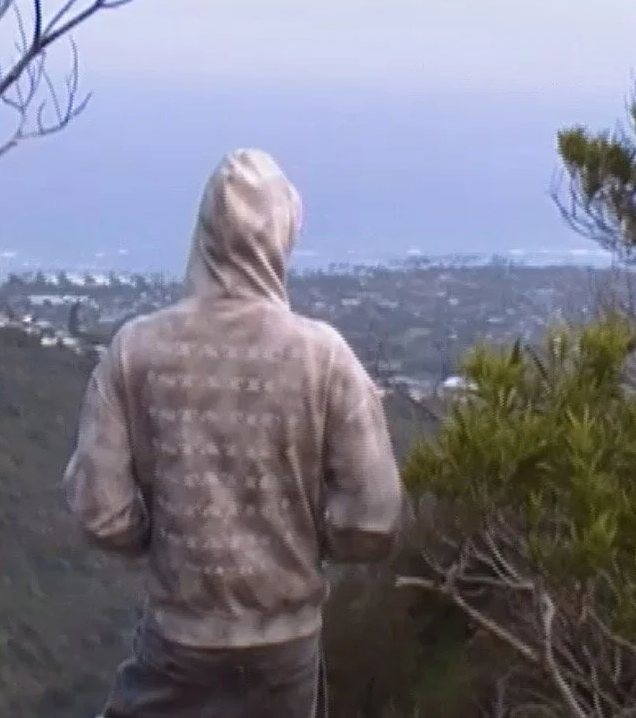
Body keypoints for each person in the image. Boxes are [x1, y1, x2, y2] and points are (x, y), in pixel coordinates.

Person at [63, 148, 405, 718]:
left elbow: (100, 512)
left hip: (176, 641)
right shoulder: (323, 358)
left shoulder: (136, 350)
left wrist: (165, 540)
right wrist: (304, 540)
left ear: (203, 236)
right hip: (285, 648)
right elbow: (374, 517)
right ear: (282, 234)